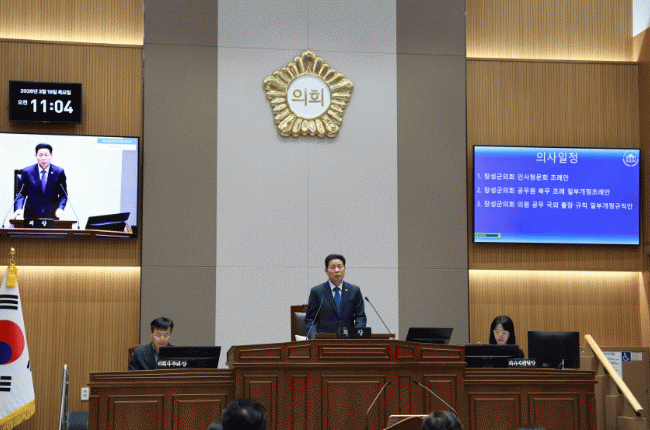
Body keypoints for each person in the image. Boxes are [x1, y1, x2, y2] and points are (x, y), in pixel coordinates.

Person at [304, 254, 367, 339]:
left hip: (348, 339)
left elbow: (360, 317)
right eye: (332, 267)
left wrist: (356, 336)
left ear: (344, 269)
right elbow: (311, 319)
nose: (337, 270)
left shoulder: (354, 290)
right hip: (324, 340)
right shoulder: (317, 291)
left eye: (340, 267)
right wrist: (314, 338)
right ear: (326, 271)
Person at [13, 143, 68, 219]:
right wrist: (19, 208)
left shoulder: (59, 172)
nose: (43, 158)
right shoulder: (27, 172)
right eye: (40, 155)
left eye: (46, 155)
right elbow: (21, 193)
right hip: (31, 214)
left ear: (51, 156)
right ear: (36, 156)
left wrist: (60, 208)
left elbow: (63, 194)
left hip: (52, 214)